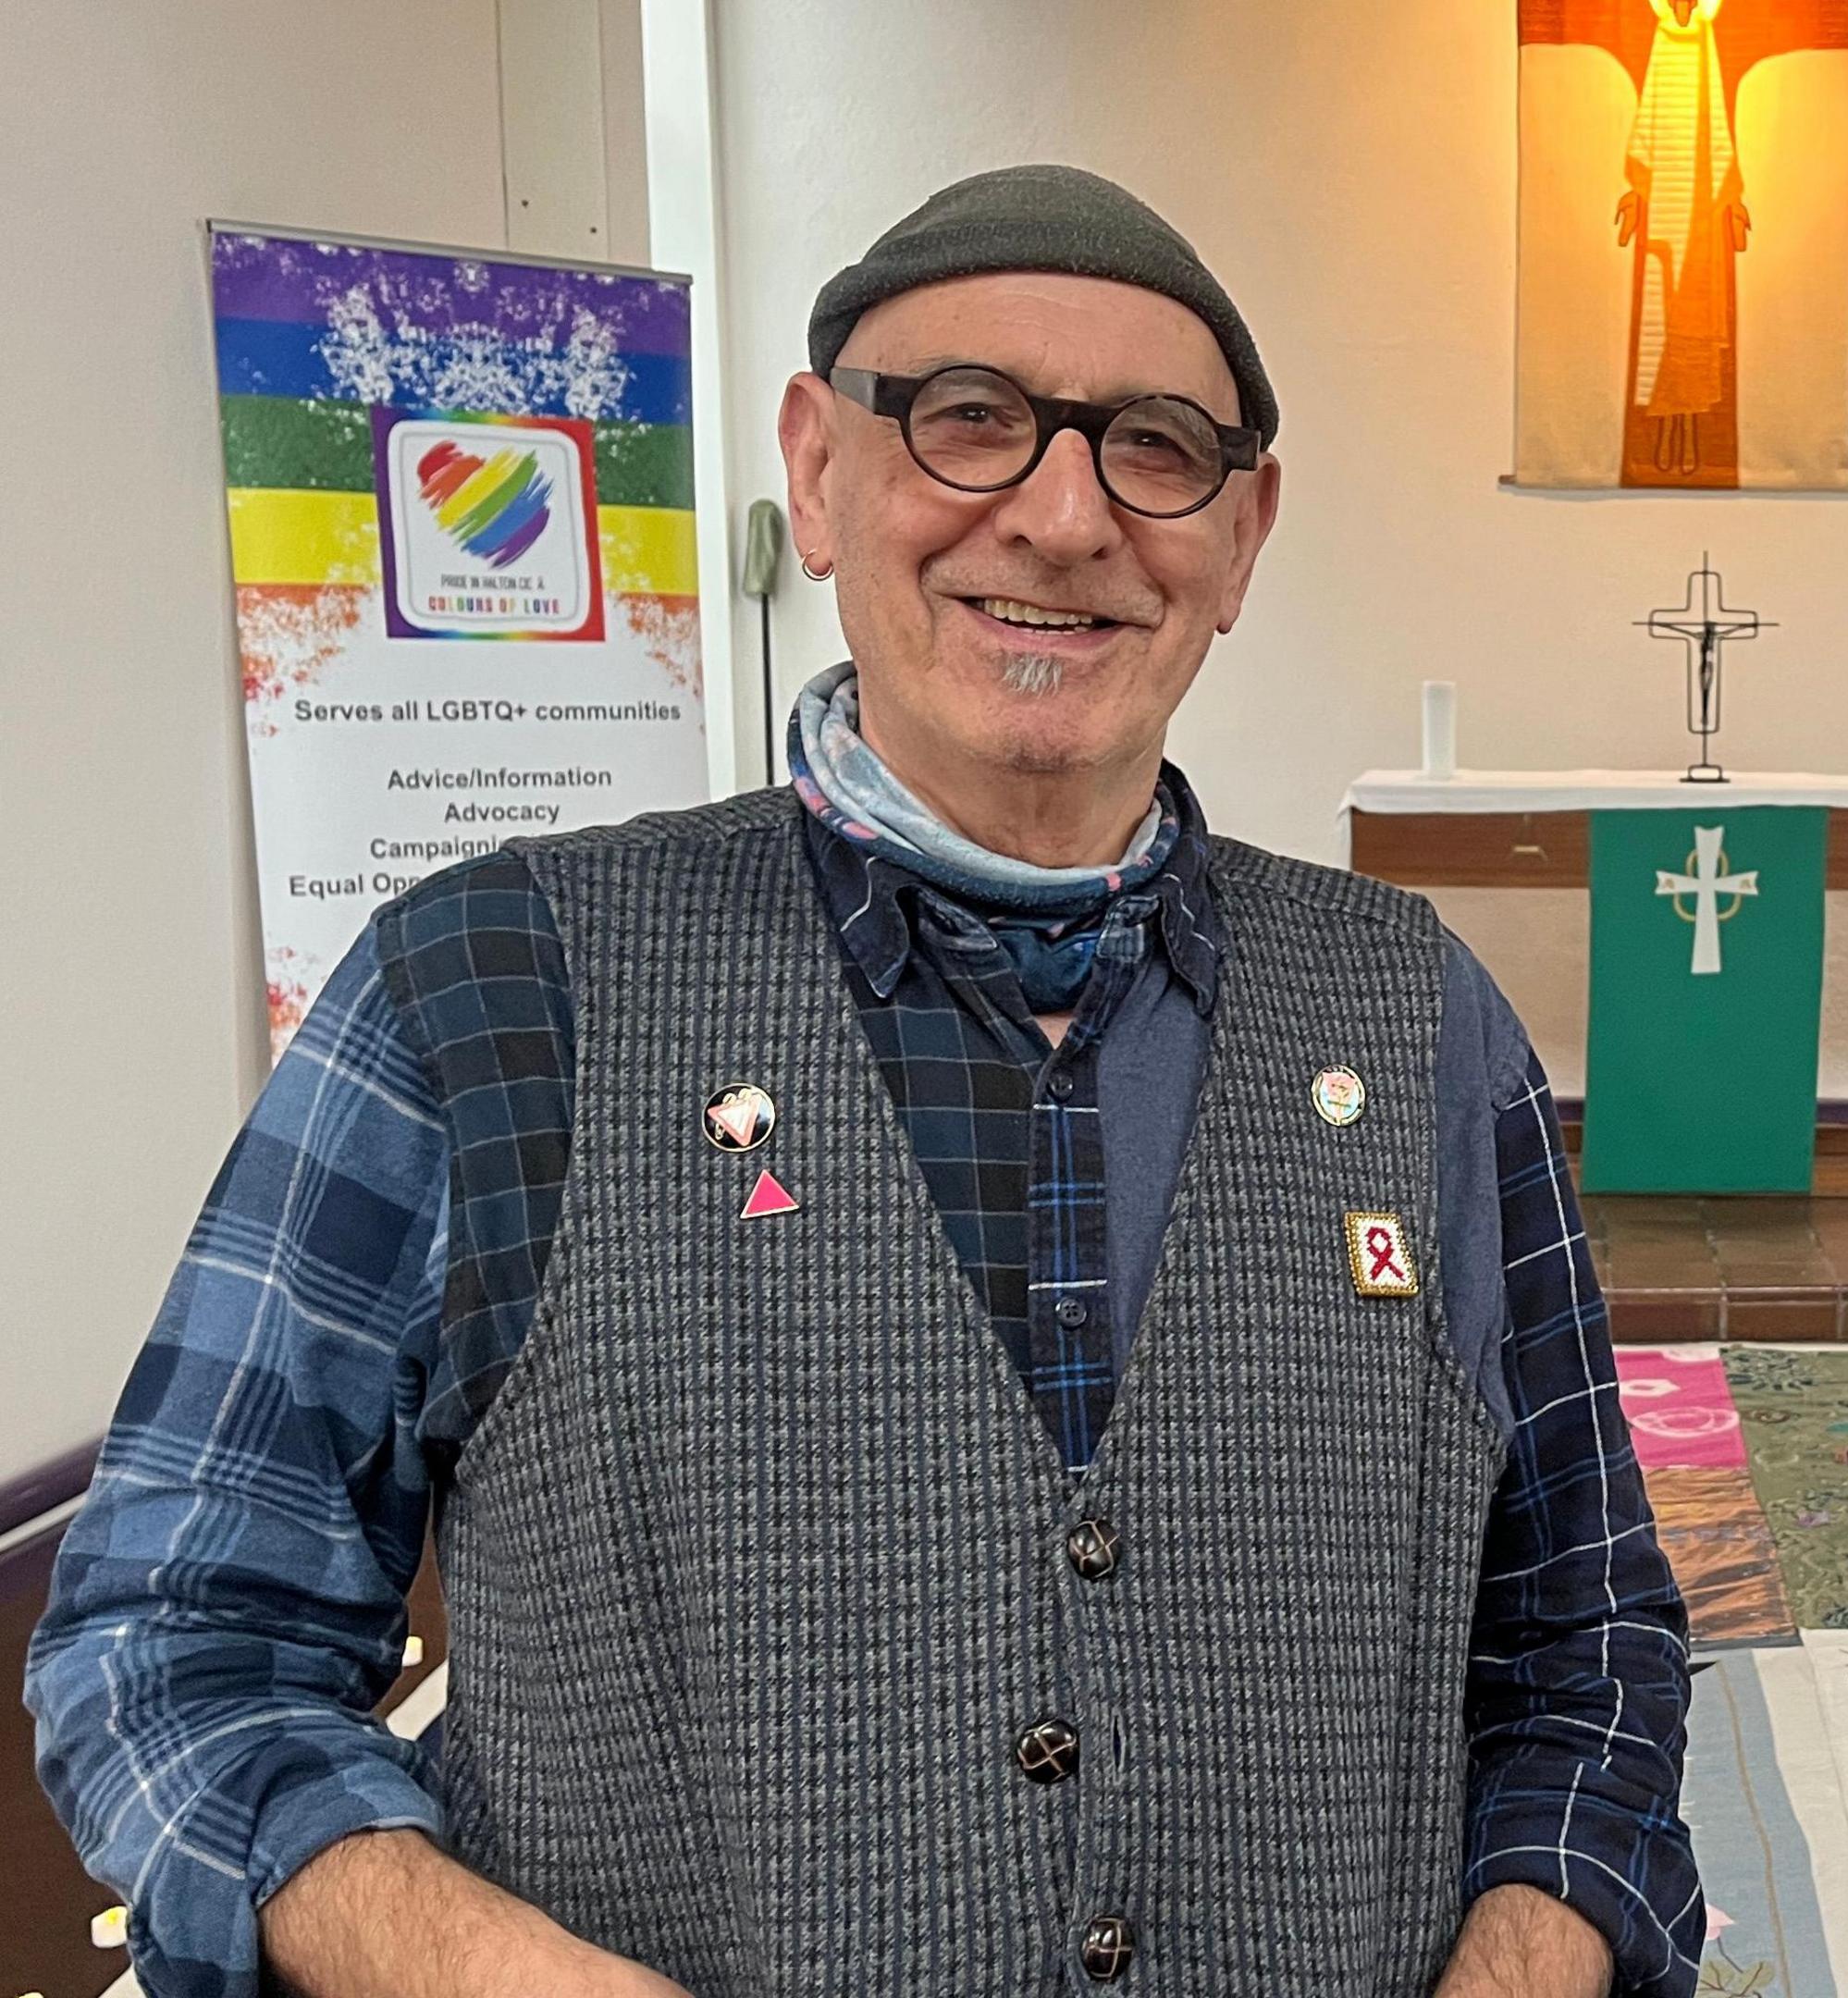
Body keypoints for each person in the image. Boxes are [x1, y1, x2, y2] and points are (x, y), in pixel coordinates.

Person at [26, 165, 1700, 1998]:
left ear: (1243, 534)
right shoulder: (483, 998)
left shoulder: (1423, 1027)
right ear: (818, 472)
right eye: (970, 422)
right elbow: (177, 1643)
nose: (1065, 518)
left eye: (1155, 448)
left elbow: (1586, 1638)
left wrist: (1529, 1960)